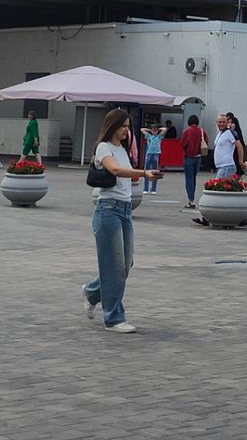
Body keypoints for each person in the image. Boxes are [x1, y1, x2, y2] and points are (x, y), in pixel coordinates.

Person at [82, 108, 157, 333]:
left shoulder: (123, 149)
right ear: (113, 126)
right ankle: (114, 318)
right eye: (123, 126)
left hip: (125, 210)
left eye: (128, 126)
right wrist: (143, 173)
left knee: (125, 264)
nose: (126, 130)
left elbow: (123, 169)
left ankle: (92, 292)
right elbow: (114, 169)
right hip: (108, 209)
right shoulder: (103, 147)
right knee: (114, 265)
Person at [179, 114, 207, 207]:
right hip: (198, 157)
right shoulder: (202, 131)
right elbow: (206, 141)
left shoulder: (187, 131)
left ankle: (191, 200)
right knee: (194, 178)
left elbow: (183, 144)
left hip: (189, 157)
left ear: (189, 122)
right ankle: (192, 198)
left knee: (189, 179)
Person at [212, 112, 241, 178]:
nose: (221, 124)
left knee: (217, 187)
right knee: (219, 187)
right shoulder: (220, 134)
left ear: (227, 123)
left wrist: (241, 161)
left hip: (227, 166)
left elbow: (239, 146)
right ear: (216, 123)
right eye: (219, 122)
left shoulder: (230, 132)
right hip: (222, 167)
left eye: (223, 122)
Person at [141, 122, 163, 193]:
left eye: (155, 130)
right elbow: (142, 130)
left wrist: (158, 129)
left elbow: (165, 129)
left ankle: (153, 189)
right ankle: (145, 188)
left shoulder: (159, 137)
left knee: (155, 172)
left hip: (156, 154)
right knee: (146, 171)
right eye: (153, 130)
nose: (154, 131)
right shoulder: (148, 136)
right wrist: (149, 130)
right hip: (149, 154)